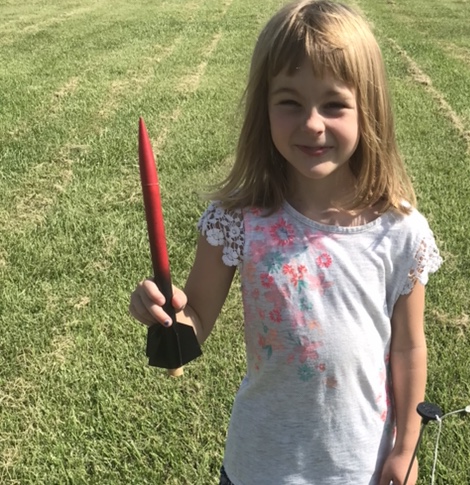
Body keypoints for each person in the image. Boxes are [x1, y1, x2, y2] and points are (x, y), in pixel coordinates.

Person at [128, 1, 441, 483]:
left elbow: (408, 349)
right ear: (264, 109)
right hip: (259, 465)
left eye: (334, 104)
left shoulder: (398, 231)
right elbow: (196, 321)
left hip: (359, 468)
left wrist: (406, 448)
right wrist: (165, 315)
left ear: (369, 108)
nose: (312, 123)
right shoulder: (239, 219)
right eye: (290, 102)